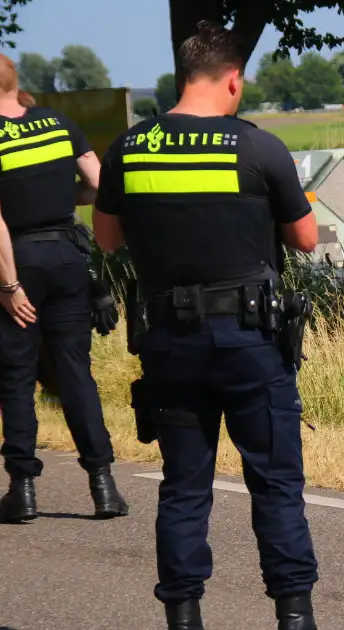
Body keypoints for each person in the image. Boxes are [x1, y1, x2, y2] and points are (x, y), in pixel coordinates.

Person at [92, 21, 320, 630]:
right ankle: (295, 616)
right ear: (232, 81)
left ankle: (184, 616)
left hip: (171, 344)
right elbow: (305, 239)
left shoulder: (129, 149)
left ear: (182, 76)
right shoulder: (258, 148)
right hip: (251, 343)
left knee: (185, 485)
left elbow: (107, 239)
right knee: (274, 484)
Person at [0, 53, 128, 523]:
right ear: (17, 84)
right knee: (76, 374)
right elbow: (101, 185)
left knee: (15, 376)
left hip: (19, 259)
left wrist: (10, 285)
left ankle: (23, 490)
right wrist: (59, 194)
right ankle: (104, 486)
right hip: (68, 259)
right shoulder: (57, 124)